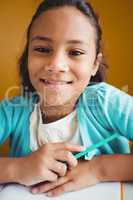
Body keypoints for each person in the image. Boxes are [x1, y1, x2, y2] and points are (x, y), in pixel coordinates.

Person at [0, 0, 133, 197]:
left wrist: (99, 169)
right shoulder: (12, 110)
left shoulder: (108, 103)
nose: (56, 65)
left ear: (95, 64)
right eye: (43, 49)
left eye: (75, 52)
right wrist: (17, 169)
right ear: (27, 54)